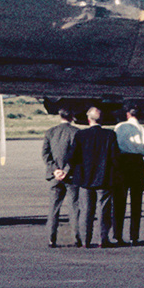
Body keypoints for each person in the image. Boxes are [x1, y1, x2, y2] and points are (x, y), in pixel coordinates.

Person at [72, 106, 119, 247]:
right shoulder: (109, 135)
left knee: (85, 211)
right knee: (103, 210)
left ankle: (85, 240)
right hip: (104, 177)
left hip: (85, 178)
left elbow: (73, 156)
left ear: (88, 119)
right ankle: (102, 239)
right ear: (102, 119)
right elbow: (115, 157)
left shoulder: (80, 135)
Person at [113, 105, 144, 244]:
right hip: (138, 164)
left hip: (123, 164)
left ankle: (118, 235)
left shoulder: (119, 127)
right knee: (136, 203)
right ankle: (134, 236)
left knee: (119, 202)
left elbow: (115, 148)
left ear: (127, 114)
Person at [42, 109, 79, 247]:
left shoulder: (50, 132)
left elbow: (45, 154)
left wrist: (55, 170)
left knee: (53, 208)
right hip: (71, 176)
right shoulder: (76, 132)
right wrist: (66, 171)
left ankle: (51, 239)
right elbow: (76, 155)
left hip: (54, 176)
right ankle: (77, 238)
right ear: (72, 116)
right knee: (74, 207)